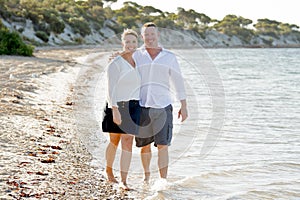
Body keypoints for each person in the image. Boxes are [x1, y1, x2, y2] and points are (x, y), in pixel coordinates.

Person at [133, 22, 188, 183]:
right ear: (142, 37)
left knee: (163, 146)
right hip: (142, 106)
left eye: (152, 34)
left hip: (164, 107)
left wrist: (183, 106)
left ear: (158, 35)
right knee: (144, 146)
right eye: (146, 35)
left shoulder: (169, 57)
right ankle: (146, 176)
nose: (150, 37)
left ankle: (163, 181)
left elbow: (178, 82)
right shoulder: (137, 55)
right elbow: (124, 70)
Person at [102, 29, 140, 190]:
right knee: (114, 140)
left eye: (134, 42)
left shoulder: (141, 60)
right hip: (117, 105)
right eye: (128, 42)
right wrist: (115, 109)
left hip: (134, 106)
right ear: (122, 43)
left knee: (128, 142)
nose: (131, 45)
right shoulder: (116, 62)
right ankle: (109, 171)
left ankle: (124, 180)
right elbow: (111, 89)